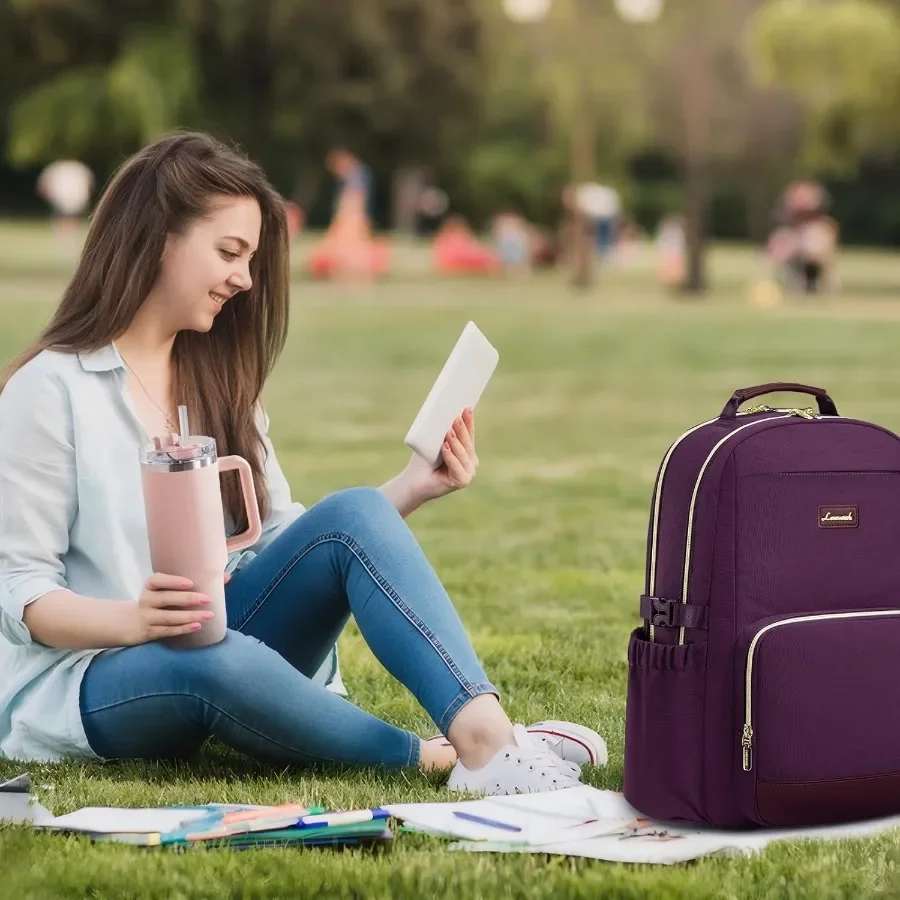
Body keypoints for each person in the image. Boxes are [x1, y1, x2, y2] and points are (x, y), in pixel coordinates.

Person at [0, 132, 605, 795]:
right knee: (210, 660)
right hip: (94, 679)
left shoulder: (216, 383)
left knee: (355, 513)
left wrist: (409, 489)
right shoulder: (51, 389)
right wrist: (135, 622)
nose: (244, 279)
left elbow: (283, 544)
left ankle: (491, 745)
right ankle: (438, 760)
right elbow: (21, 594)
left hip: (216, 637)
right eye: (229, 252)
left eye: (252, 258)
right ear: (159, 236)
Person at [307, 147, 389, 281]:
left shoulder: (355, 177)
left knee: (347, 250)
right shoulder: (361, 175)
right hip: (354, 219)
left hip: (351, 220)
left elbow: (352, 204)